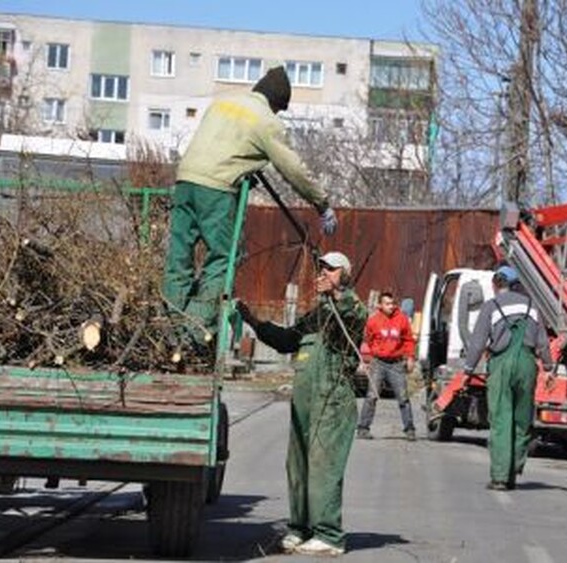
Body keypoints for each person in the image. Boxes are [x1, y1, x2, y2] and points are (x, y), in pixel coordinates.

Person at [162, 66, 338, 346]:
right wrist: (322, 203)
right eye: (279, 109)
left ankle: (168, 328)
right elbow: (292, 167)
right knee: (225, 257)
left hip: (184, 181)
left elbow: (224, 146)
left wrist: (246, 165)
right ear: (276, 103)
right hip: (216, 189)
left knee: (179, 258)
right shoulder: (267, 121)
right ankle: (191, 331)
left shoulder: (223, 104)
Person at [236, 251, 367, 556]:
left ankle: (329, 535)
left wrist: (335, 292)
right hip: (305, 401)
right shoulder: (316, 315)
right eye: (321, 269)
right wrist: (253, 320)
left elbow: (353, 313)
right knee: (298, 465)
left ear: (345, 275)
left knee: (324, 466)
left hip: (332, 399)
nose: (322, 274)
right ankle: (300, 528)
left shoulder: (350, 307)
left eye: (330, 270)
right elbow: (286, 341)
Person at [463, 266, 554, 491]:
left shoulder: (490, 307)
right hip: (526, 365)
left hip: (501, 365)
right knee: (522, 420)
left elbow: (478, 342)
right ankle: (514, 468)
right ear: (516, 285)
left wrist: (468, 369)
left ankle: (500, 477)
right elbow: (542, 341)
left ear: (496, 284)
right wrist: (549, 367)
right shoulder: (532, 307)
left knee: (501, 420)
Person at [356, 291, 417, 441]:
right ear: (380, 305)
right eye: (387, 304)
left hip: (396, 363)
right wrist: (367, 360)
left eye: (392, 303)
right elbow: (368, 340)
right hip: (378, 362)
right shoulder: (373, 321)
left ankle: (409, 429)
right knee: (371, 396)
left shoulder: (402, 319)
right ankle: (363, 428)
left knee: (403, 397)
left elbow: (408, 340)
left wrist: (410, 358)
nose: (391, 306)